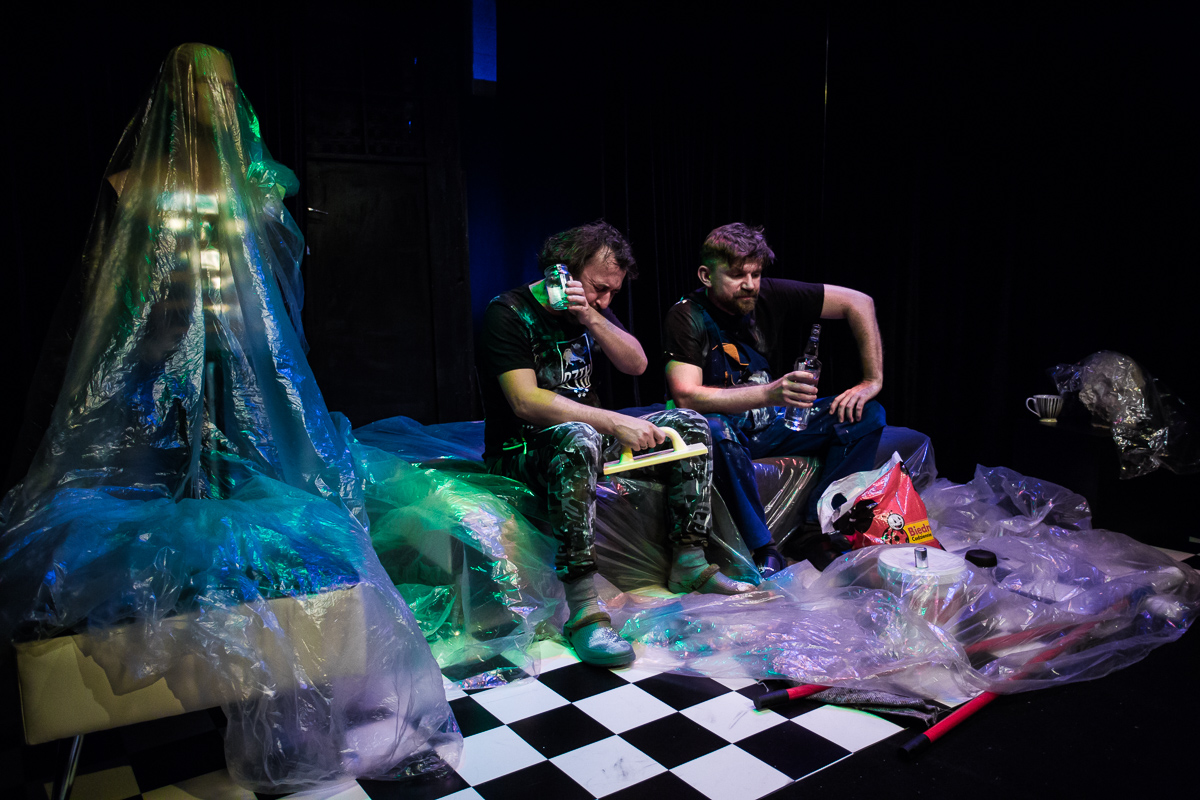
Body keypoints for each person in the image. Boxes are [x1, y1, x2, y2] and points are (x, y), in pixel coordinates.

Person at [478, 220, 752, 668]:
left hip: (586, 437)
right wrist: (613, 422)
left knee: (689, 423)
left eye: (612, 293)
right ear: (561, 273)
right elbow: (525, 402)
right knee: (580, 435)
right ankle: (584, 610)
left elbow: (636, 363)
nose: (606, 299)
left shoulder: (589, 308)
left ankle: (689, 561)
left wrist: (590, 314)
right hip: (521, 451)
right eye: (599, 288)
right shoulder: (507, 313)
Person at [662, 222, 887, 574]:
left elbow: (859, 302)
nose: (750, 284)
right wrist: (769, 393)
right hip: (723, 432)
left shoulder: (766, 295)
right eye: (737, 275)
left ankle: (815, 529)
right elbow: (686, 396)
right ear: (706, 276)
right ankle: (763, 547)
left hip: (770, 426)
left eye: (756, 274)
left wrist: (872, 380)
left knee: (866, 413)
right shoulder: (686, 315)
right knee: (713, 427)